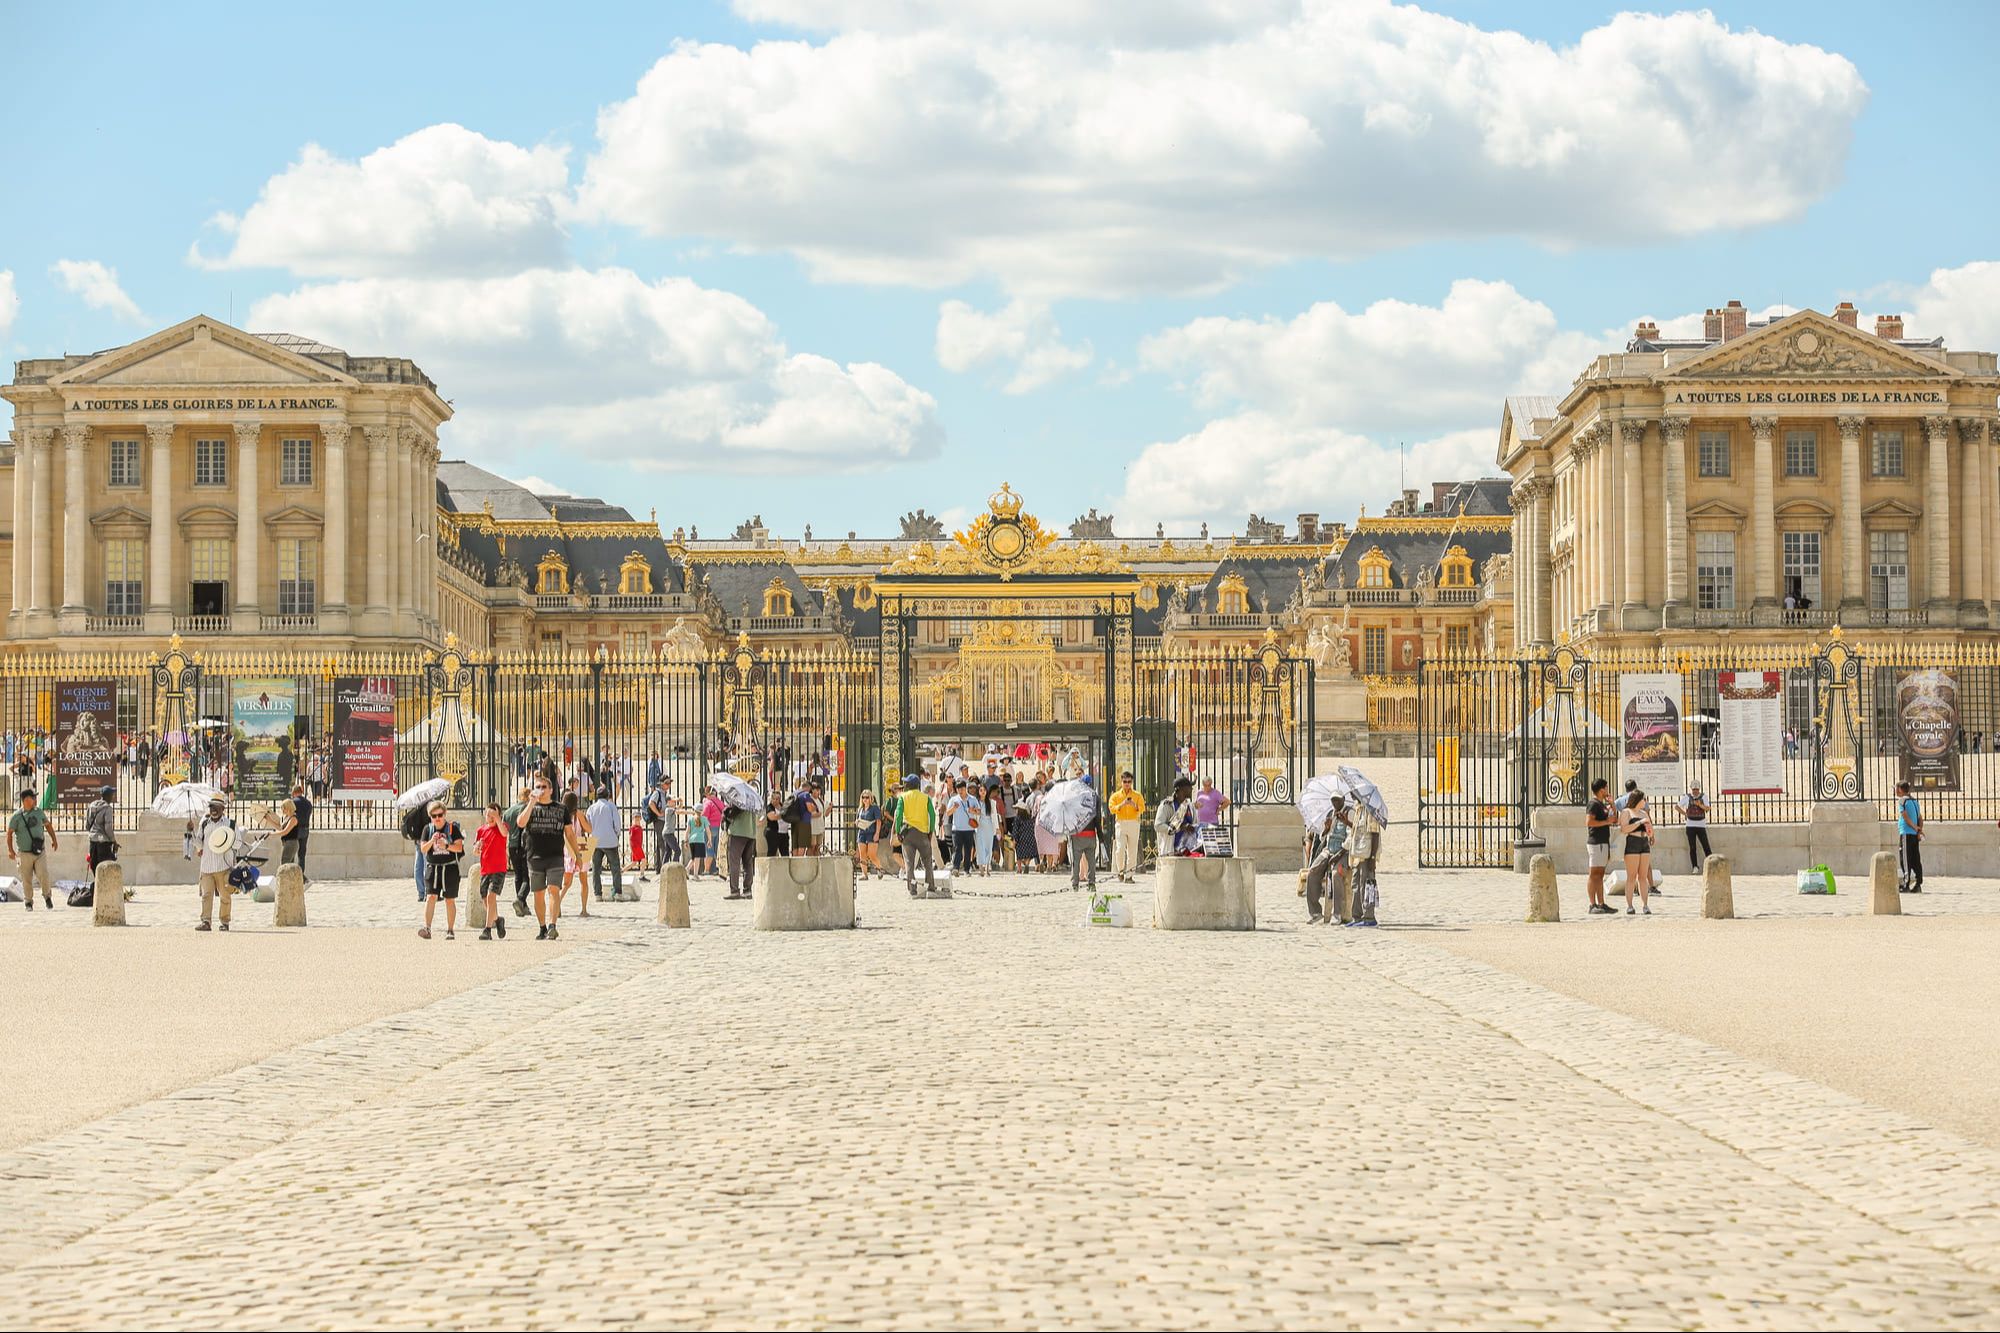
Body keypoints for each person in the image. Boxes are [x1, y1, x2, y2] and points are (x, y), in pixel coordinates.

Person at [514, 775, 574, 940]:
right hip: (535, 856)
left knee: (553, 890)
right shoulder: (529, 807)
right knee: (538, 894)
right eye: (538, 786)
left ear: (551, 790)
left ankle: (552, 925)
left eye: (543, 787)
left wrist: (576, 853)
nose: (540, 790)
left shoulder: (561, 809)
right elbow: (520, 823)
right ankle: (542, 927)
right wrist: (532, 803)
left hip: (555, 855)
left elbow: (569, 833)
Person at [418, 801, 466, 939]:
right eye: (434, 816)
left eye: (440, 815)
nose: (437, 818)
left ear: (444, 814)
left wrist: (446, 846)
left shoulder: (452, 829)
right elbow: (423, 849)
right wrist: (431, 841)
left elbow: (459, 848)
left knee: (449, 899)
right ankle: (427, 928)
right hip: (433, 868)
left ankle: (450, 930)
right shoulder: (428, 829)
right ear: (430, 817)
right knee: (430, 897)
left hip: (449, 867)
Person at [8, 786, 57, 910]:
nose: (35, 799)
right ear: (25, 800)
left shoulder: (39, 812)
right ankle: (28, 902)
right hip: (24, 853)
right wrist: (10, 850)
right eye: (32, 797)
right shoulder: (16, 816)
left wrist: (54, 840)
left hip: (39, 851)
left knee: (44, 874)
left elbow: (48, 826)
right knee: (26, 878)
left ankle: (47, 898)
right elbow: (9, 834)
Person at [1302, 799, 1349, 924]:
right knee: (1313, 871)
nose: (1335, 803)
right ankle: (1315, 912)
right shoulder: (1330, 814)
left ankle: (1337, 913)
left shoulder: (1349, 813)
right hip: (1329, 849)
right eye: (1333, 801)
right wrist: (1326, 828)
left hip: (1342, 851)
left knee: (1336, 874)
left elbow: (1350, 837)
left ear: (1342, 801)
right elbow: (1323, 838)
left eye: (1337, 801)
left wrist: (1339, 855)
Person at [191, 794, 233, 931]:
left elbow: (237, 843)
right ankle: (206, 921)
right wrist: (191, 832)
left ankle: (225, 922)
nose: (213, 810)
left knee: (225, 896)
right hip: (207, 866)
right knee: (206, 895)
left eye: (216, 807)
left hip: (223, 865)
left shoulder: (229, 824)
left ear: (222, 809)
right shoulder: (204, 822)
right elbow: (199, 843)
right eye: (211, 807)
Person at [896, 772, 942, 898]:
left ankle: (913, 890)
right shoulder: (925, 798)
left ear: (908, 785)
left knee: (909, 864)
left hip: (908, 834)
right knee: (927, 862)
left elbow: (898, 815)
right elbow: (932, 816)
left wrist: (898, 831)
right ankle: (931, 889)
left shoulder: (903, 797)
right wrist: (930, 831)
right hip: (922, 833)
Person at [474, 803, 510, 941]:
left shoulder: (503, 826)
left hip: (498, 868)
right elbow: (475, 850)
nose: (490, 818)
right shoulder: (481, 830)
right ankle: (497, 920)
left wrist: (498, 819)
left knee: (491, 896)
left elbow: (504, 833)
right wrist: (477, 847)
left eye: (493, 815)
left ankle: (487, 929)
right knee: (485, 899)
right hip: (485, 869)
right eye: (488, 815)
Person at [1619, 787, 1655, 915]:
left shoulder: (1644, 813)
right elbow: (1624, 829)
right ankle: (1629, 905)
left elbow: (1649, 827)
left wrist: (1651, 834)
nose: (1645, 801)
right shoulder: (1627, 812)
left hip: (1644, 843)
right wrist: (1639, 822)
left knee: (1643, 876)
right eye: (1643, 799)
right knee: (1632, 876)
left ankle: (1645, 905)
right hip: (1632, 843)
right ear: (1638, 799)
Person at [1584, 777, 1616, 915]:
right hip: (1596, 842)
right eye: (1606, 788)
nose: (1608, 790)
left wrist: (1612, 805)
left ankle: (1601, 903)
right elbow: (1589, 822)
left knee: (1600, 874)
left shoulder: (1602, 804)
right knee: (1593, 874)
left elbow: (1614, 819)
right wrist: (1606, 822)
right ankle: (1592, 904)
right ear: (1602, 789)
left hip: (1603, 841)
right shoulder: (1593, 804)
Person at [587, 786, 624, 902]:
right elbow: (617, 824)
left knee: (596, 869)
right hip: (610, 840)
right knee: (615, 868)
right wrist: (616, 833)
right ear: (607, 795)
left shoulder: (591, 808)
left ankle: (598, 894)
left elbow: (588, 824)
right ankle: (617, 892)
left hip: (596, 840)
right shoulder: (611, 806)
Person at [1107, 771, 1145, 883]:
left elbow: (1142, 808)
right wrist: (1122, 804)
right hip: (1121, 823)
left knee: (1132, 851)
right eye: (1125, 782)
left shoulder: (1137, 795)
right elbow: (1111, 808)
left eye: (1129, 782)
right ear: (1121, 782)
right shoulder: (1116, 796)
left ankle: (1129, 876)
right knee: (1120, 849)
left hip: (1134, 822)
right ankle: (1120, 870)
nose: (1127, 784)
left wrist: (1134, 805)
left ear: (1132, 782)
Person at [503, 783, 531, 915]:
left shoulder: (508, 811)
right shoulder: (527, 809)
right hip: (525, 845)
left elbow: (505, 831)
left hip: (512, 845)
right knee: (527, 877)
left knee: (517, 875)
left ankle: (522, 905)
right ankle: (520, 900)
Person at [1069, 775, 1100, 890]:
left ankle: (1075, 884)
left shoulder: (1075, 797)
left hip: (1078, 833)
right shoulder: (1095, 797)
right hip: (1091, 833)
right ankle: (1091, 883)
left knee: (1076, 860)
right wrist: (1100, 836)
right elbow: (1097, 818)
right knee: (1091, 860)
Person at [725, 795, 760, 899]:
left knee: (734, 862)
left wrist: (727, 812)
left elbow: (732, 815)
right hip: (751, 833)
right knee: (748, 862)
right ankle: (747, 890)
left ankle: (734, 890)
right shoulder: (753, 801)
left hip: (738, 833)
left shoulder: (740, 800)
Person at [1156, 777, 1200, 857]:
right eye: (1190, 787)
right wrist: (1178, 828)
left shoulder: (1190, 806)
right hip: (1171, 851)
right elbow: (1158, 826)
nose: (1192, 789)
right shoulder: (1166, 805)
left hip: (1188, 852)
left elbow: (1195, 824)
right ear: (1182, 789)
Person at [1896, 781, 1924, 893]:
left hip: (1906, 833)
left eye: (1896, 788)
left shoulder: (1902, 801)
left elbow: (1905, 817)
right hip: (1913, 834)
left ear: (1900, 789)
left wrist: (1914, 827)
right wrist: (1918, 830)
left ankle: (1906, 883)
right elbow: (1920, 818)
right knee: (1915, 858)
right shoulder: (1914, 801)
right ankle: (1918, 883)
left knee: (1905, 859)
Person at [1679, 782, 1713, 873]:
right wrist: (1685, 814)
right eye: (1693, 789)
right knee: (1692, 847)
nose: (1695, 791)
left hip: (1701, 825)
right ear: (1691, 789)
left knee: (1706, 846)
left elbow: (1708, 808)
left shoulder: (1704, 797)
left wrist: (1699, 805)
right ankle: (1695, 866)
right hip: (1690, 825)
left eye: (1696, 789)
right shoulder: (1687, 797)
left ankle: (1712, 865)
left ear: (1699, 789)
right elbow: (1677, 806)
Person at [945, 779, 978, 872]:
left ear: (965, 788)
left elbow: (979, 811)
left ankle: (967, 869)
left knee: (968, 850)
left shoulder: (972, 799)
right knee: (957, 849)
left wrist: (973, 811)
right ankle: (956, 868)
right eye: (958, 789)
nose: (960, 791)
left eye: (962, 788)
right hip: (957, 829)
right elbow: (947, 813)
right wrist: (953, 808)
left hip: (969, 829)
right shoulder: (954, 799)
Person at [84, 783, 117, 873]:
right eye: (112, 795)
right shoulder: (107, 808)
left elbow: (87, 825)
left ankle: (97, 884)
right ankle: (103, 886)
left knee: (94, 865)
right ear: (108, 796)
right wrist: (113, 841)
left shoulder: (91, 805)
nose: (113, 797)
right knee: (105, 866)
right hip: (103, 842)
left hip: (92, 840)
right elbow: (108, 828)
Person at [854, 789, 884, 879]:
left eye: (867, 797)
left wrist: (877, 833)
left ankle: (879, 868)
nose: (865, 799)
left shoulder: (874, 808)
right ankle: (864, 874)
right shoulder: (860, 809)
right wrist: (857, 822)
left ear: (871, 798)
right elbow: (857, 820)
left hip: (872, 833)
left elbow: (878, 821)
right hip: (862, 833)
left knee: (871, 854)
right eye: (863, 797)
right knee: (862, 855)